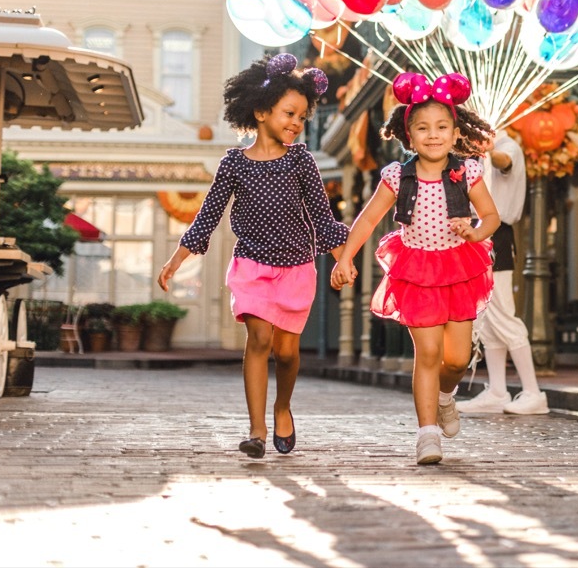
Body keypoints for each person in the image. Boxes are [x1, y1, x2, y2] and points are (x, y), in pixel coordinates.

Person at [157, 53, 349, 460]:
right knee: (259, 339)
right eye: (289, 114)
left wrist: (342, 258)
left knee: (287, 352)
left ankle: (283, 407)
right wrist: (177, 260)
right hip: (252, 267)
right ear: (261, 112)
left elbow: (322, 217)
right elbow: (207, 215)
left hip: (297, 267)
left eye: (302, 117)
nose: (297, 123)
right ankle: (257, 429)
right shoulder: (233, 164)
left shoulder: (302, 161)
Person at [330, 71, 499, 465]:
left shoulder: (466, 171)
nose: (433, 135)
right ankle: (426, 436)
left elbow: (491, 216)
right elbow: (368, 220)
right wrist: (345, 256)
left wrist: (474, 231)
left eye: (442, 127)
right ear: (409, 136)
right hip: (417, 270)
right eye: (423, 128)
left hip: (459, 267)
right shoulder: (396, 176)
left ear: (456, 133)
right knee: (427, 352)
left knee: (455, 360)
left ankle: (445, 397)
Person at [456, 130, 549, 415]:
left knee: (502, 311)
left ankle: (533, 392)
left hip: (495, 233)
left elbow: (503, 161)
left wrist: (486, 149)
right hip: (474, 232)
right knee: (486, 317)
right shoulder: (472, 151)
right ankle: (497, 391)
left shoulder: (508, 146)